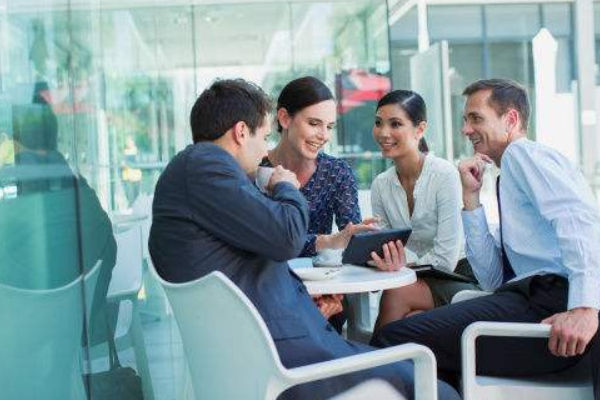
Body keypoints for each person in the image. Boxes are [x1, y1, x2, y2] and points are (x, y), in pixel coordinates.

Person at [149, 78, 460, 400]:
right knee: (435, 388)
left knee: (414, 370)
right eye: (264, 136)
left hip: (275, 339)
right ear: (241, 132)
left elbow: (242, 263)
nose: (263, 149)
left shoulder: (199, 170)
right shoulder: (209, 168)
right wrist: (286, 186)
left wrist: (304, 306)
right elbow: (285, 237)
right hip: (284, 357)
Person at [371, 78, 600, 395]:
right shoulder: (506, 176)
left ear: (511, 120)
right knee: (414, 340)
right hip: (526, 299)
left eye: (476, 118)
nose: (466, 129)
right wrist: (471, 200)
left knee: (394, 339)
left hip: (550, 301)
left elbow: (578, 219)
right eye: (465, 120)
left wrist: (585, 308)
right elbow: (491, 278)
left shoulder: (523, 155)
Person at [263, 76, 378, 330]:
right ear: (284, 118)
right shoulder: (257, 171)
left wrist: (369, 250)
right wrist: (327, 241)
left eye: (330, 126)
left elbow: (351, 243)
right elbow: (268, 244)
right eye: (314, 123)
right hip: (269, 290)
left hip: (326, 289)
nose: (323, 135)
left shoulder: (337, 172)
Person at [370, 90, 479, 330]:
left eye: (395, 124)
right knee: (410, 320)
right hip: (413, 281)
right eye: (378, 123)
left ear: (420, 130)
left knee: (396, 294)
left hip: (460, 278)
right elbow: (386, 247)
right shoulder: (380, 184)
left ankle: (370, 362)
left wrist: (400, 266)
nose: (383, 132)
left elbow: (446, 259)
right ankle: (387, 365)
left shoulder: (444, 175)